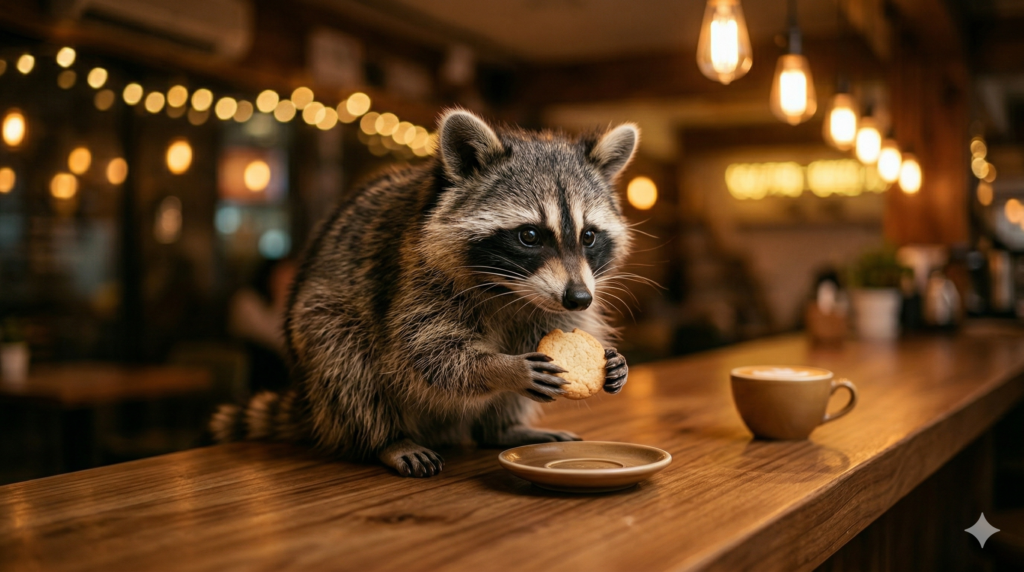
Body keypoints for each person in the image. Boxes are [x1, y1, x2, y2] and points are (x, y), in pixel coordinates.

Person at [227, 258, 297, 393]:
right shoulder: (246, 300)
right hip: (253, 376)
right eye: (284, 275)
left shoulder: (292, 307)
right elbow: (276, 340)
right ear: (269, 274)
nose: (289, 281)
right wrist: (281, 301)